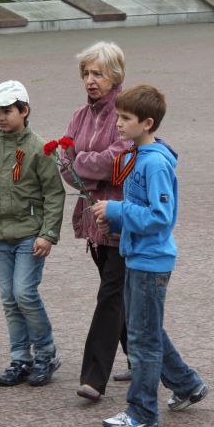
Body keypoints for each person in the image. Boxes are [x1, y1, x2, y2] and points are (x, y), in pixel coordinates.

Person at [91, 84, 209, 427]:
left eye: (126, 118)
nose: (118, 123)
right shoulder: (138, 156)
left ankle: (142, 412)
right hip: (138, 256)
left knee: (142, 340)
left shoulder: (154, 163)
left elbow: (160, 216)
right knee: (146, 330)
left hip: (150, 261)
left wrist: (116, 210)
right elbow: (140, 210)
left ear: (147, 123)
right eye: (118, 116)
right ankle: (187, 384)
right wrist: (115, 219)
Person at [0, 80, 66, 387]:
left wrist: (48, 234)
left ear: (24, 111)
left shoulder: (39, 148)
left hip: (30, 234)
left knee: (24, 294)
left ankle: (45, 353)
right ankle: (20, 358)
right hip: (1, 235)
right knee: (9, 298)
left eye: (7, 111)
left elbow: (54, 194)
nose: (1, 117)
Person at [62, 42, 131, 403]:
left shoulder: (126, 113)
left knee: (110, 297)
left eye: (98, 74)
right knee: (120, 297)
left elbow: (117, 163)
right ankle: (142, 357)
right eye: (86, 73)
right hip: (92, 219)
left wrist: (82, 164)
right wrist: (87, 167)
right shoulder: (78, 116)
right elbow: (64, 166)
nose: (90, 80)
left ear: (115, 76)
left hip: (121, 220)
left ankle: (93, 377)